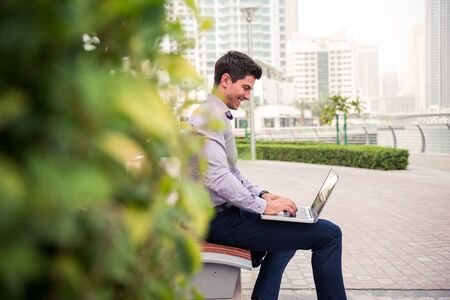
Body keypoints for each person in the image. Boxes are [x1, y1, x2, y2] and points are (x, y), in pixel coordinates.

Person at [189, 50, 346, 300]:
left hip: (223, 214)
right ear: (226, 80)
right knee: (329, 234)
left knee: (289, 223)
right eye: (246, 88)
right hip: (214, 221)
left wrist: (264, 196)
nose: (249, 96)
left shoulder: (215, 115)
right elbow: (218, 179)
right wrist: (262, 206)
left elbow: (232, 173)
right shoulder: (208, 118)